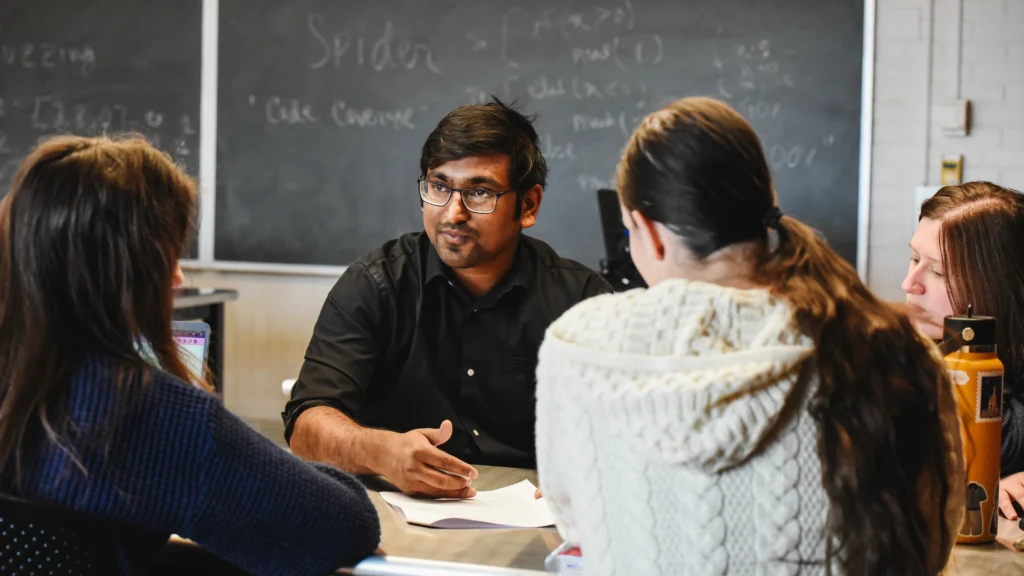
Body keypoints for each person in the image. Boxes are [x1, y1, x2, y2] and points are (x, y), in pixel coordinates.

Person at [535, 97, 964, 574]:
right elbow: (933, 542)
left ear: (648, 233)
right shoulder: (890, 346)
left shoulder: (575, 346)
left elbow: (576, 525)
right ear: (767, 206)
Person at [0, 135, 380, 576]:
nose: (178, 278)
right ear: (122, 270)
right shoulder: (146, 415)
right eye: (167, 254)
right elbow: (345, 527)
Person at [284, 98, 610, 498]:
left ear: (528, 205)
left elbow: (625, 435)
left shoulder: (582, 304)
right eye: (439, 186)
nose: (453, 213)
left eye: (479, 192)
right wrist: (380, 450)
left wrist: (583, 474)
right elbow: (305, 425)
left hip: (541, 527)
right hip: (397, 522)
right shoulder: (376, 283)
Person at [900, 182, 1024, 518]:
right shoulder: (906, 358)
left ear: (997, 287)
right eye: (914, 258)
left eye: (939, 271)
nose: (910, 283)